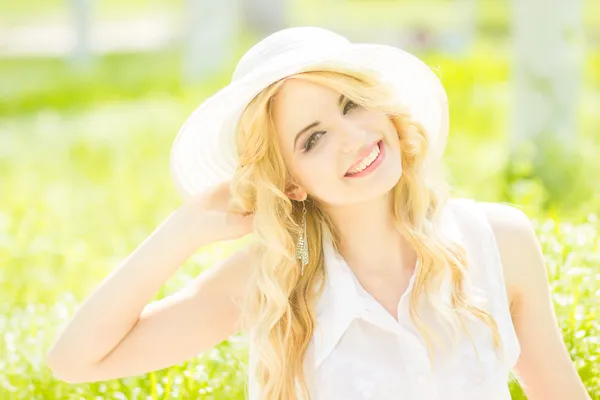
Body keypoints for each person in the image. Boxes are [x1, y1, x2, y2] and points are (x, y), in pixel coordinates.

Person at [46, 27, 591, 400]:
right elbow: (76, 361)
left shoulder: (497, 239)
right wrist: (181, 232)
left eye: (352, 105)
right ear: (289, 182)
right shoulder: (273, 279)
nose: (353, 139)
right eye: (313, 139)